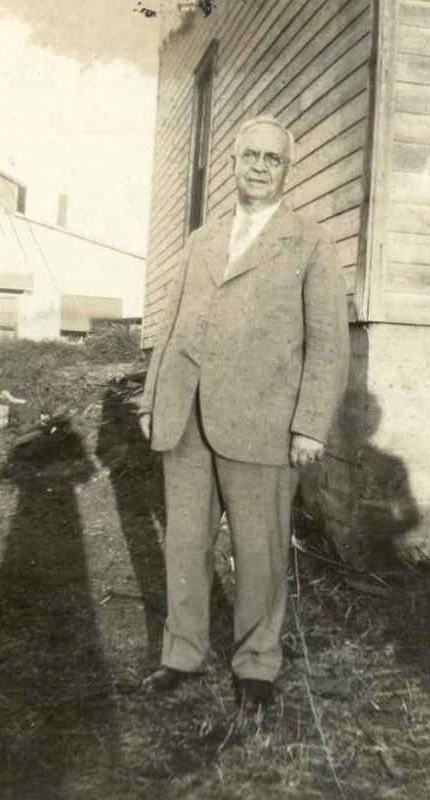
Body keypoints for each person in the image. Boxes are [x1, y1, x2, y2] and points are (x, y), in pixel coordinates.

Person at [138, 115, 349, 707]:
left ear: (288, 168)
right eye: (249, 156)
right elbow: (173, 324)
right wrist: (154, 398)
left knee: (259, 550)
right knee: (184, 543)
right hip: (186, 417)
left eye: (271, 159)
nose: (258, 167)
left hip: (263, 422)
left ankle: (256, 666)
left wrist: (310, 423)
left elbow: (329, 341)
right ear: (232, 163)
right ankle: (181, 655)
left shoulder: (311, 241)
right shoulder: (202, 239)